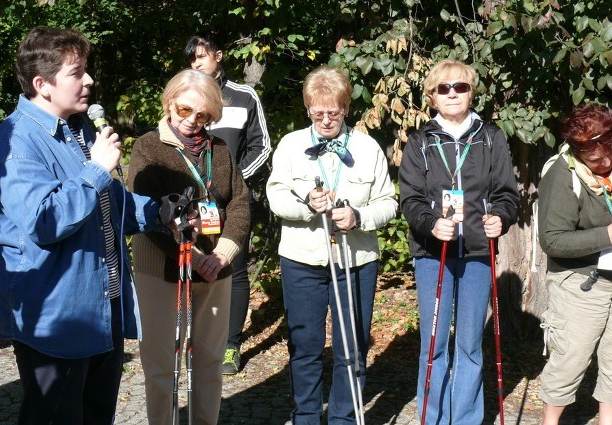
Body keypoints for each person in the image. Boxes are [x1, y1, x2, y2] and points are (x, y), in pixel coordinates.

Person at [0, 26, 165, 425]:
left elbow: (103, 205)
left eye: (86, 70)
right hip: (56, 314)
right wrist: (96, 169)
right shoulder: (15, 142)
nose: (89, 80)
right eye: (77, 72)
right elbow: (45, 220)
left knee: (96, 416)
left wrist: (161, 213)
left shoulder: (79, 129)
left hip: (102, 305)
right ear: (42, 84)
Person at [266, 65, 397, 424]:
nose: (326, 120)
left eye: (333, 113)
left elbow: (388, 202)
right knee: (304, 346)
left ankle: (344, 418)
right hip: (302, 259)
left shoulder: (368, 148)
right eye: (318, 113)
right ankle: (306, 416)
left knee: (352, 347)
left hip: (355, 260)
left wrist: (358, 217)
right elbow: (275, 197)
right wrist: (307, 206)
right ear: (308, 109)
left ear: (346, 109)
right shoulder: (291, 145)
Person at [397, 59, 519, 424]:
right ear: (432, 96)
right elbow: (411, 198)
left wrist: (502, 217)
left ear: (471, 92)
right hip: (434, 251)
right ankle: (432, 418)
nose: (452, 94)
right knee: (433, 345)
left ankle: (465, 418)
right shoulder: (420, 140)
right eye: (443, 88)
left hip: (478, 252)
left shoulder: (490, 136)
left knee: (468, 345)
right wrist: (431, 224)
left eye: (460, 87)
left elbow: (506, 194)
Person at [128, 68, 250, 425]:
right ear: (169, 103)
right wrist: (195, 258)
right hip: (162, 269)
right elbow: (145, 213)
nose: (192, 121)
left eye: (202, 115)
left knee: (211, 361)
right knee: (162, 364)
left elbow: (240, 201)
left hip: (215, 267)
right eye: (184, 110)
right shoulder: (148, 147)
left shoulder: (221, 150)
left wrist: (223, 253)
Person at [185, 34, 271, 375]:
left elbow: (262, 147)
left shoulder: (243, 96)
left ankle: (231, 346)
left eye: (201, 56)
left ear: (219, 56)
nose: (196, 64)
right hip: (196, 205)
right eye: (191, 59)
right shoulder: (188, 97)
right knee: (199, 265)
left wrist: (235, 182)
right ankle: (202, 338)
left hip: (235, 202)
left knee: (233, 269)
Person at [538, 102, 612, 424]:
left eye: (609, 153)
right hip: (582, 282)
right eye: (596, 160)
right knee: (570, 361)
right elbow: (552, 240)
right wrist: (607, 235)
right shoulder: (561, 174)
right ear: (579, 152)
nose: (606, 162)